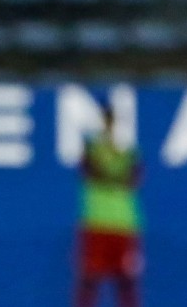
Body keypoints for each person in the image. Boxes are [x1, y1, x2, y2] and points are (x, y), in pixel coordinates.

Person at [74, 103, 144, 307]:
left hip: (123, 224)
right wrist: (114, 175)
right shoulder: (92, 148)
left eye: (111, 120)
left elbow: (134, 178)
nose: (109, 125)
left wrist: (112, 174)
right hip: (96, 222)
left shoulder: (129, 151)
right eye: (105, 120)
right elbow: (90, 170)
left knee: (127, 283)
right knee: (90, 281)